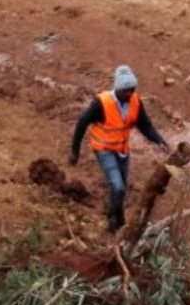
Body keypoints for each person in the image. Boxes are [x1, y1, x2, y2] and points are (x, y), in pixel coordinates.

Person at [69, 65, 170, 232]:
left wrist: (159, 141)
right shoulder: (101, 103)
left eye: (132, 90)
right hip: (104, 150)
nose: (129, 94)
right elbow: (82, 123)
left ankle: (120, 219)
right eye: (125, 91)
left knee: (121, 188)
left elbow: (146, 126)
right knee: (118, 186)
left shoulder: (135, 102)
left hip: (122, 151)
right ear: (117, 88)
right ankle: (112, 221)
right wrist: (75, 151)